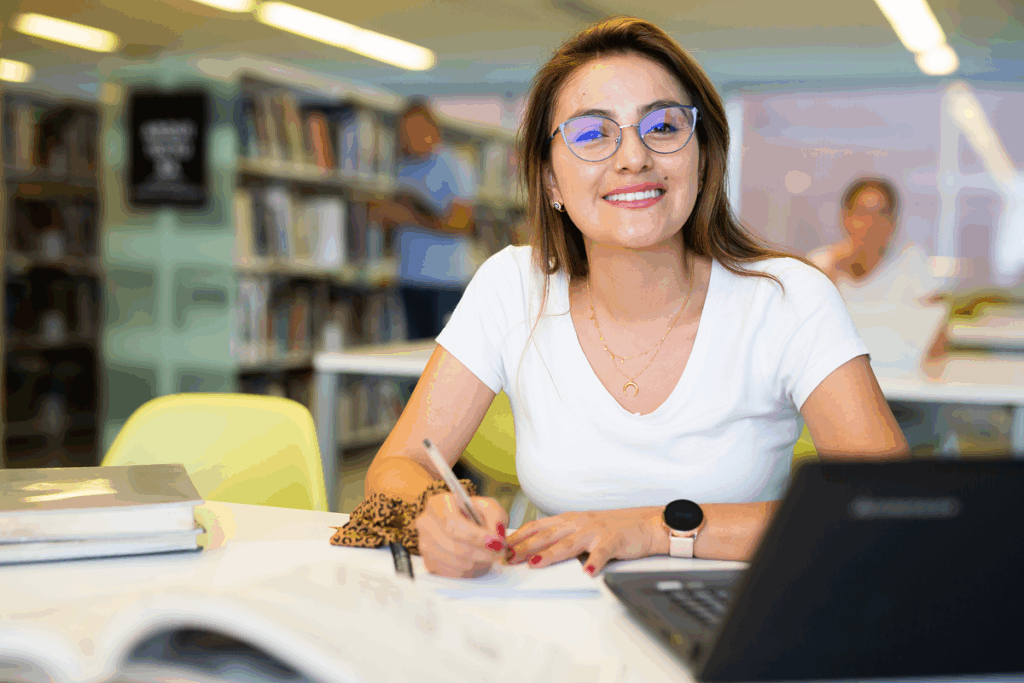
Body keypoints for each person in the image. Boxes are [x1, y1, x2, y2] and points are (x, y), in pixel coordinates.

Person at [365, 16, 908, 579]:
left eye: (664, 127)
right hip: (555, 624)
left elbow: (886, 505)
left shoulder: (787, 298)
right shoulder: (512, 286)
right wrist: (435, 514)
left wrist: (651, 529)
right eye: (592, 134)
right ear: (550, 180)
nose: (632, 158)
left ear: (702, 155)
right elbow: (396, 466)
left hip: (731, 621)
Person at [808, 178, 948, 377]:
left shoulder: (912, 262)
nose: (871, 223)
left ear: (894, 222)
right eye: (862, 213)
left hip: (903, 383)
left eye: (882, 214)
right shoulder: (820, 264)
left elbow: (939, 338)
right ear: (845, 217)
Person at [370, 99, 476, 339]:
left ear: (433, 130)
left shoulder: (454, 164)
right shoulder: (400, 167)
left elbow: (462, 223)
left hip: (445, 282)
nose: (409, 139)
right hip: (408, 279)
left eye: (416, 131)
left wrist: (409, 218)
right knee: (413, 353)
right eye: (404, 133)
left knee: (444, 354)